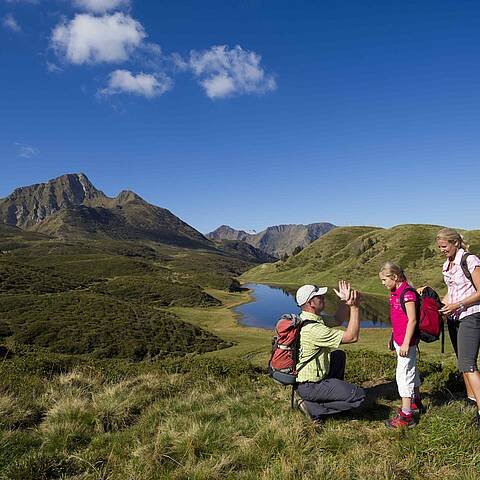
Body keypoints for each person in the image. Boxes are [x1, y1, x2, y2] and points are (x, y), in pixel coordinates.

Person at [294, 281, 365, 423]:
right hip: (311, 386)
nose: (323, 298)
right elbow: (352, 337)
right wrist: (355, 307)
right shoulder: (314, 329)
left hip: (306, 383)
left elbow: (338, 319)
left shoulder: (308, 319)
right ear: (311, 303)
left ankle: (328, 394)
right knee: (359, 396)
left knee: (338, 355)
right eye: (320, 297)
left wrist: (344, 301)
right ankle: (313, 407)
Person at [436, 228, 480, 426]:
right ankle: (472, 402)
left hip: (471, 315)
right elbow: (451, 291)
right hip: (454, 317)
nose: (442, 250)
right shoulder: (447, 265)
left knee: (469, 364)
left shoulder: (470, 260)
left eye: (444, 246)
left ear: (455, 243)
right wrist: (442, 306)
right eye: (439, 247)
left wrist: (458, 305)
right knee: (463, 364)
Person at [379, 262, 422, 429]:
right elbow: (398, 318)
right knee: (411, 371)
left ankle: (406, 416)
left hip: (407, 342)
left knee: (403, 376)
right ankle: (415, 402)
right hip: (399, 340)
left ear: (394, 277)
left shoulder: (407, 293)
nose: (382, 283)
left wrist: (405, 343)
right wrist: (393, 337)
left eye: (384, 280)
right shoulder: (394, 292)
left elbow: (412, 320)